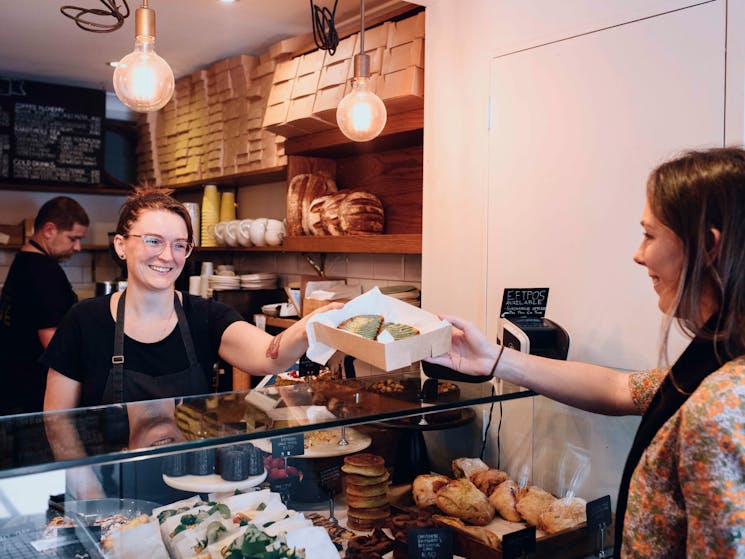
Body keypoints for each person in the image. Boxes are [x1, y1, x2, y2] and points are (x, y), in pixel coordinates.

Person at [427, 147, 745, 558]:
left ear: (708, 245)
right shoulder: (718, 358)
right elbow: (620, 388)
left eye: (649, 235)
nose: (638, 254)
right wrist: (494, 359)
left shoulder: (719, 408)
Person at [40, 186, 339, 497]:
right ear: (120, 245)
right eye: (153, 241)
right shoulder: (84, 321)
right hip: (109, 495)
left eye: (179, 245)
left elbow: (271, 355)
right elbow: (56, 421)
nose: (168, 256)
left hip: (194, 496)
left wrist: (309, 327)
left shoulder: (205, 316)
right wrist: (92, 498)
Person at [0, 196, 89, 414]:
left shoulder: (24, 260)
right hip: (35, 391)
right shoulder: (45, 272)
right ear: (49, 230)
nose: (78, 247)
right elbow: (53, 343)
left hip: (12, 384)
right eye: (73, 238)